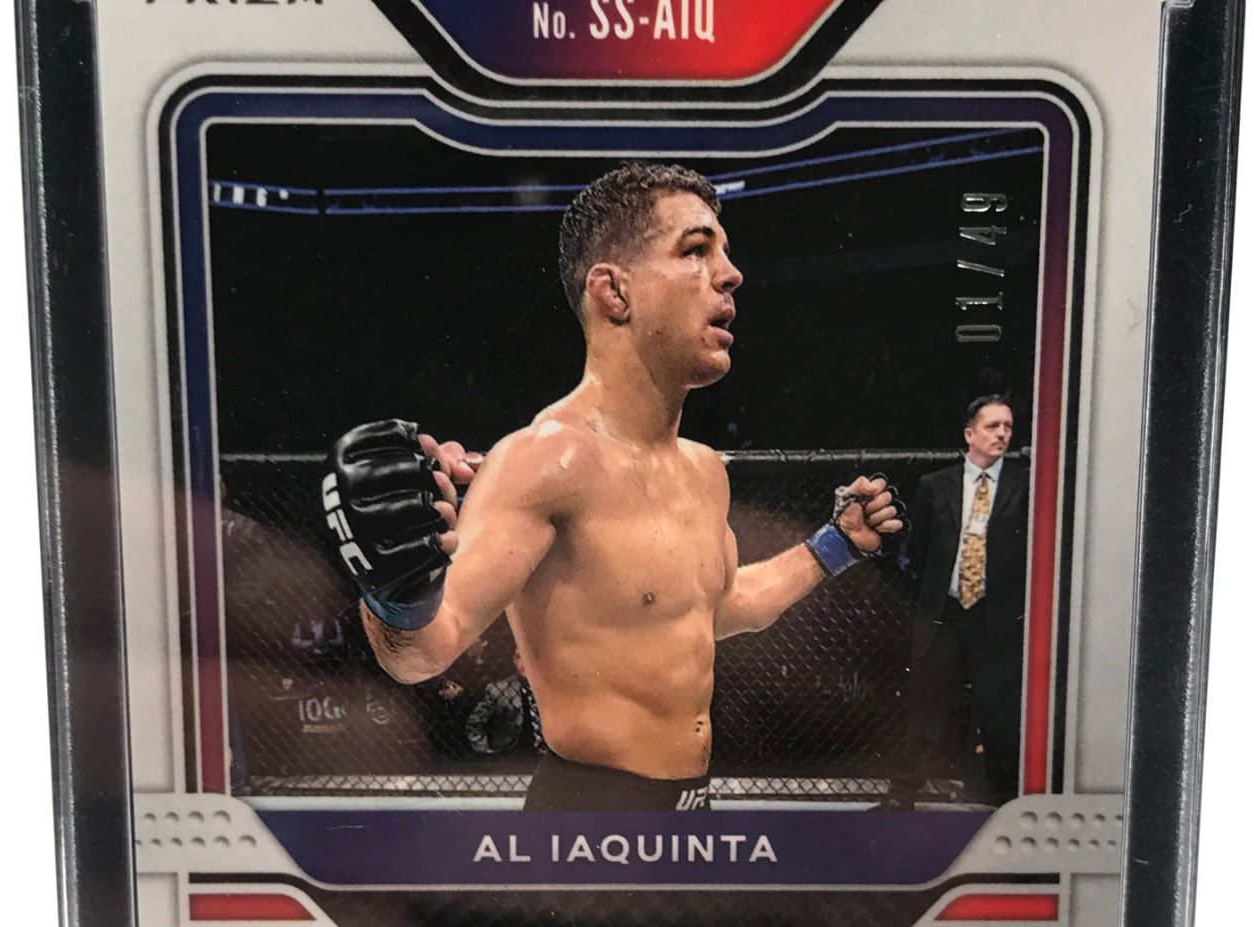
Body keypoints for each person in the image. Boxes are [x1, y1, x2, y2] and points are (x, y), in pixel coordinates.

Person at [322, 162, 902, 811]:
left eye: (724, 252)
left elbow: (718, 608)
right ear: (613, 292)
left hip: (693, 810)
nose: (731, 273)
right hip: (587, 821)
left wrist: (834, 545)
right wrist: (395, 594)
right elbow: (425, 653)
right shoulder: (547, 459)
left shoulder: (704, 469)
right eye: (696, 250)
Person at [904, 395, 1028, 807]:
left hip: (996, 613)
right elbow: (917, 550)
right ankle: (903, 794)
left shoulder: (1025, 486)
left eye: (1008, 427)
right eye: (993, 426)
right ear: (970, 434)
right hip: (946, 610)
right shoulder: (936, 485)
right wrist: (929, 597)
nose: (1002, 434)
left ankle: (1001, 800)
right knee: (927, 706)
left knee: (998, 711)